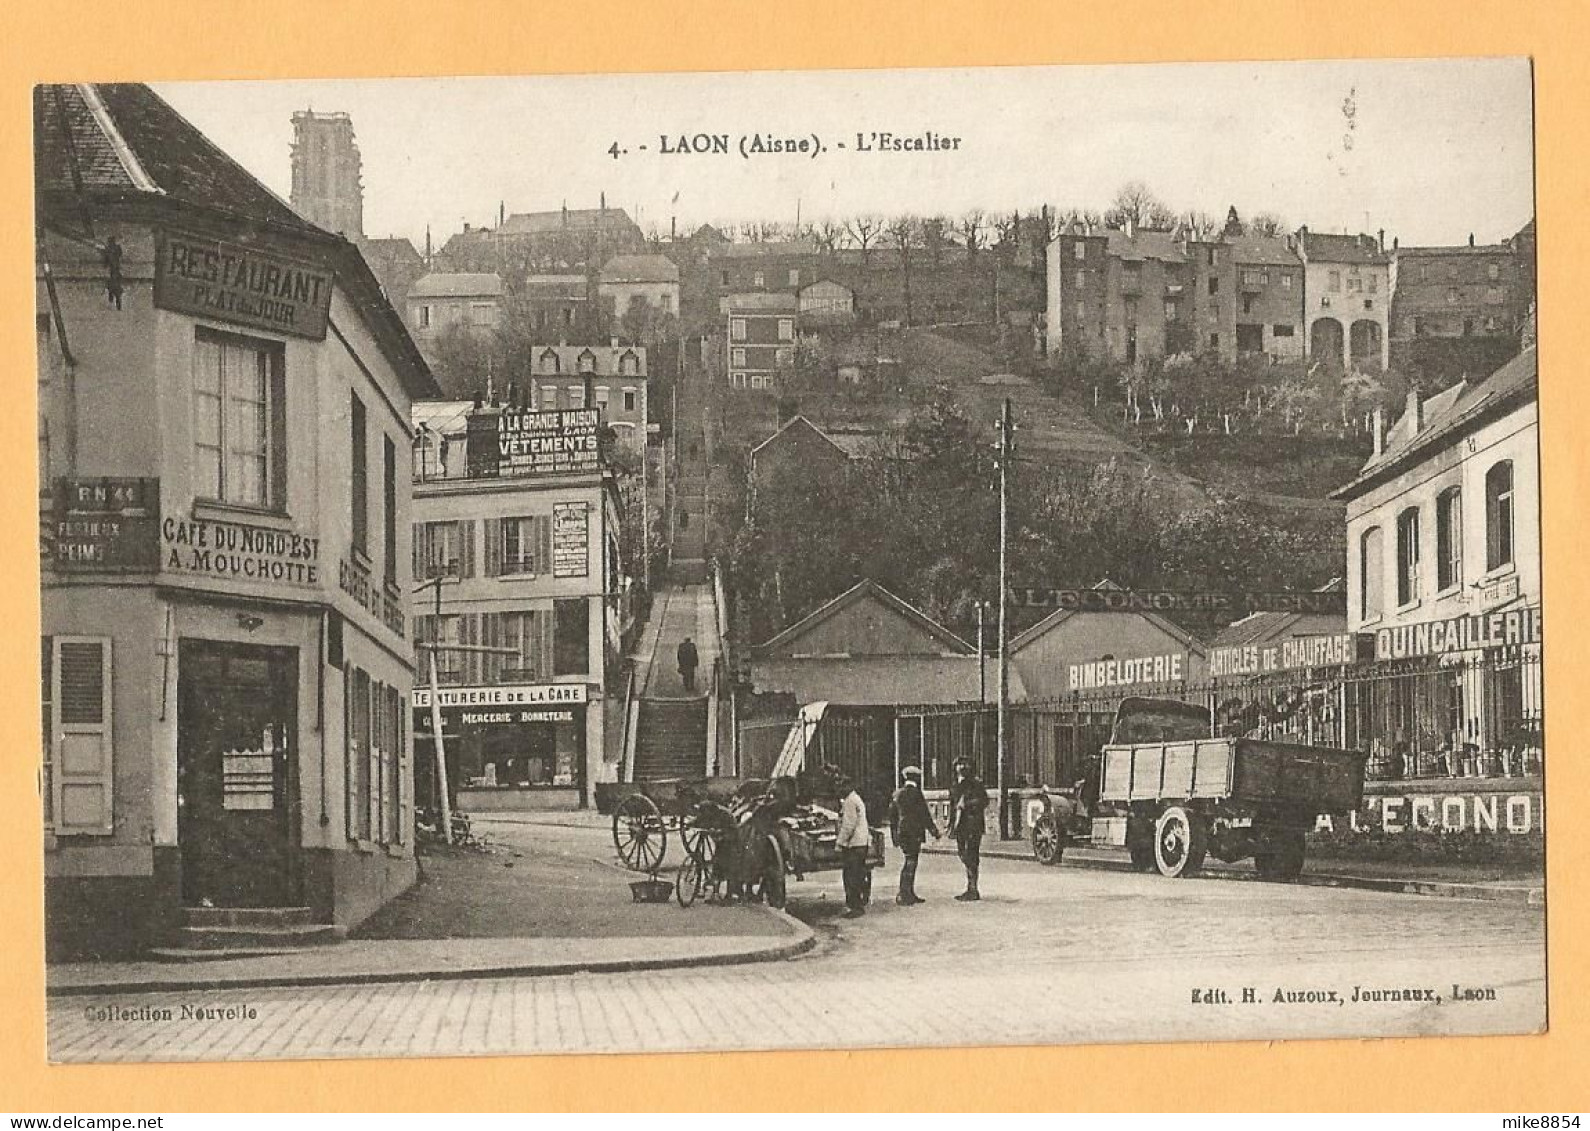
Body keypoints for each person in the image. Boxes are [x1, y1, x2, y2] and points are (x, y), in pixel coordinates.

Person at [888, 765, 939, 905]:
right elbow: (924, 814)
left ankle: (908, 892)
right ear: (916, 778)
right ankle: (904, 894)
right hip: (914, 832)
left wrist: (894, 835)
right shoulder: (916, 793)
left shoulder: (897, 793)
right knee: (911, 862)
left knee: (908, 861)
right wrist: (934, 831)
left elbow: (892, 816)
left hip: (902, 832)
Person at [948, 757, 988, 901]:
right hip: (960, 825)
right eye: (959, 764)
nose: (962, 767)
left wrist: (968, 804)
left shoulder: (976, 784)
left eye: (965, 764)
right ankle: (971, 885)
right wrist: (951, 825)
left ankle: (972, 888)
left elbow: (984, 800)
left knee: (972, 854)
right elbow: (953, 806)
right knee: (962, 853)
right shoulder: (954, 786)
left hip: (973, 824)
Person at [836, 774, 872, 919]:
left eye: (842, 786)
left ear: (848, 786)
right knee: (857, 874)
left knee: (851, 876)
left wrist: (840, 842)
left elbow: (848, 825)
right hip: (861, 843)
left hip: (854, 844)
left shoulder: (850, 801)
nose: (840, 789)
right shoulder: (855, 799)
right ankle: (857, 905)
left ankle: (855, 907)